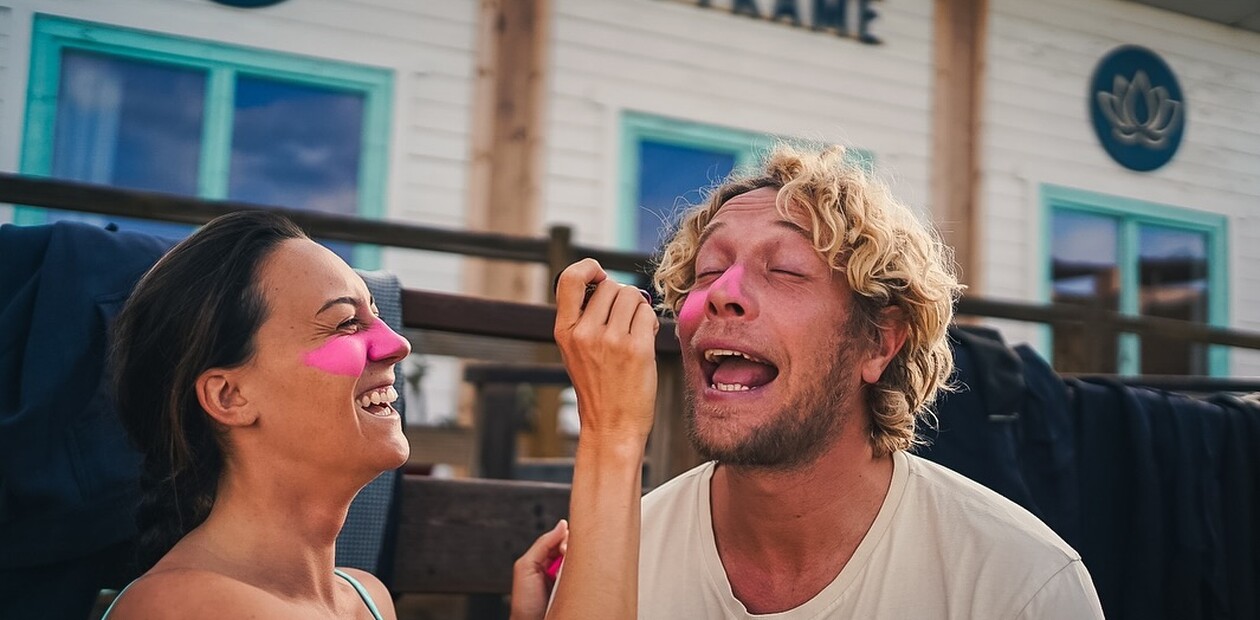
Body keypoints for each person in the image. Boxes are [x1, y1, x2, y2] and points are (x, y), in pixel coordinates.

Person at [101, 211, 656, 619]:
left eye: (375, 316)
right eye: (345, 323)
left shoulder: (364, 598)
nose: (396, 344)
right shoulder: (185, 605)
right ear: (229, 397)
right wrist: (612, 431)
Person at [640, 143, 1105, 618]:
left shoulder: (1019, 585)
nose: (721, 293)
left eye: (784, 269)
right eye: (709, 269)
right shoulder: (623, 558)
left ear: (880, 342)